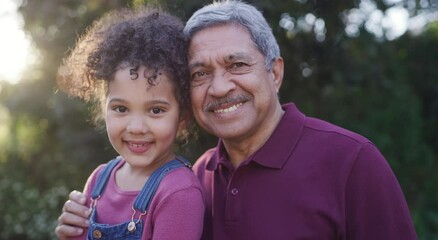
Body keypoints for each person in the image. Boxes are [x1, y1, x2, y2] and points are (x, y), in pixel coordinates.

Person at [56, 1, 418, 239]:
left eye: (237, 65)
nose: (219, 87)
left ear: (274, 72)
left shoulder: (351, 162)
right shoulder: (200, 175)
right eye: (200, 74)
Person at [55, 6, 204, 240]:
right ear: (103, 109)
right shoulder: (99, 180)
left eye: (155, 110)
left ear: (183, 116)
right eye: (121, 109)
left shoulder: (179, 193)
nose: (136, 127)